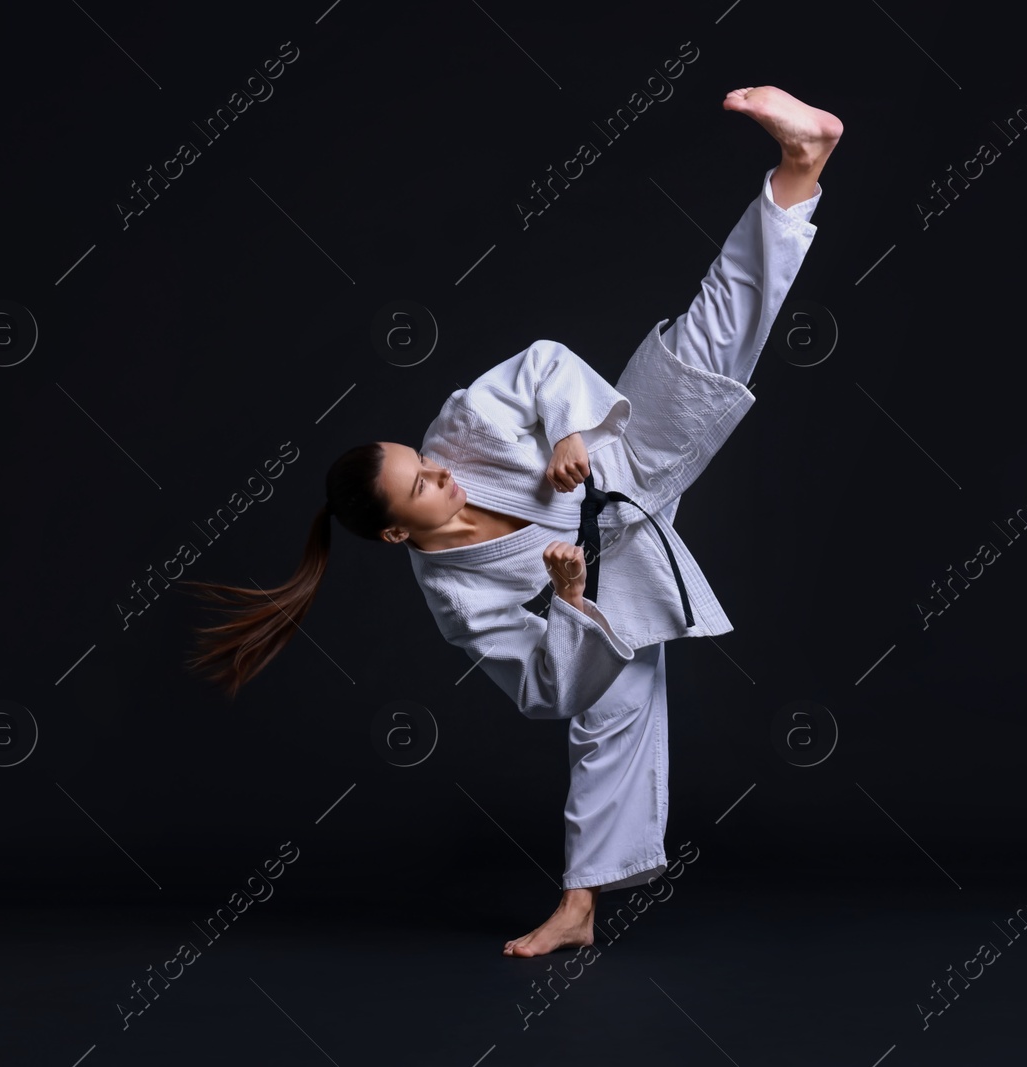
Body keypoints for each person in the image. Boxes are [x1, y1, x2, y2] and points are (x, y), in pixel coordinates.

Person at [182, 86, 842, 957]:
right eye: (424, 486)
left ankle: (802, 162)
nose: (442, 470)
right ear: (395, 534)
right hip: (615, 573)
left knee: (711, 336)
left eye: (423, 461)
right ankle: (580, 903)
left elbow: (541, 363)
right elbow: (543, 687)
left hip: (620, 456)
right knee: (607, 712)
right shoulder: (455, 596)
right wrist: (569, 597)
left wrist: (569, 430)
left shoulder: (454, 430)